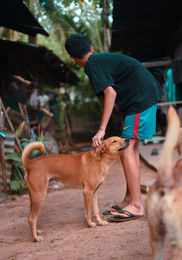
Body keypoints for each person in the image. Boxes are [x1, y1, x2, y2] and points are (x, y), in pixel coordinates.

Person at [65, 34, 163, 222]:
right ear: (91, 48)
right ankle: (129, 199)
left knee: (125, 151)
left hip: (140, 99)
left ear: (72, 58)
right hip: (143, 95)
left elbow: (110, 93)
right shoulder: (100, 60)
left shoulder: (92, 65)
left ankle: (136, 205)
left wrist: (102, 129)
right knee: (130, 149)